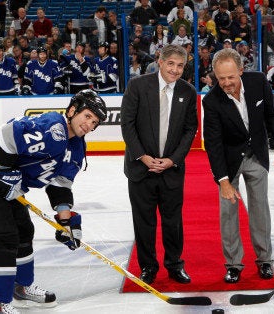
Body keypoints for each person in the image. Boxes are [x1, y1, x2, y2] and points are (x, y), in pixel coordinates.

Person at [0, 89, 107, 314]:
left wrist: (66, 222)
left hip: (4, 180)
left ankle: (21, 287)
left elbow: (60, 184)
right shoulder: (54, 127)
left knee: (24, 230)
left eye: (94, 122)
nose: (89, 125)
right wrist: (7, 170)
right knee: (5, 237)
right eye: (87, 116)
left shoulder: (76, 147)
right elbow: (7, 135)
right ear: (73, 110)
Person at [202, 48, 274, 284]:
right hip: (229, 161)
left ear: (241, 70)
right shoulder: (211, 101)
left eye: (231, 77)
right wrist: (223, 181)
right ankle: (233, 264)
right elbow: (213, 144)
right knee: (228, 211)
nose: (227, 83)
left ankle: (264, 261)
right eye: (221, 79)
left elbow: (273, 114)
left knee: (260, 208)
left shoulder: (258, 81)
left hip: (256, 155)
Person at [120, 44, 198, 285]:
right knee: (144, 221)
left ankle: (175, 265)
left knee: (173, 221)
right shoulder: (137, 85)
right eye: (171, 64)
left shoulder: (188, 91)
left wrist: (173, 160)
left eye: (180, 65)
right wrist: (142, 156)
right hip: (140, 169)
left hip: (171, 170)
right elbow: (127, 124)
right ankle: (148, 267)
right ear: (160, 62)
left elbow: (190, 129)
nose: (175, 70)